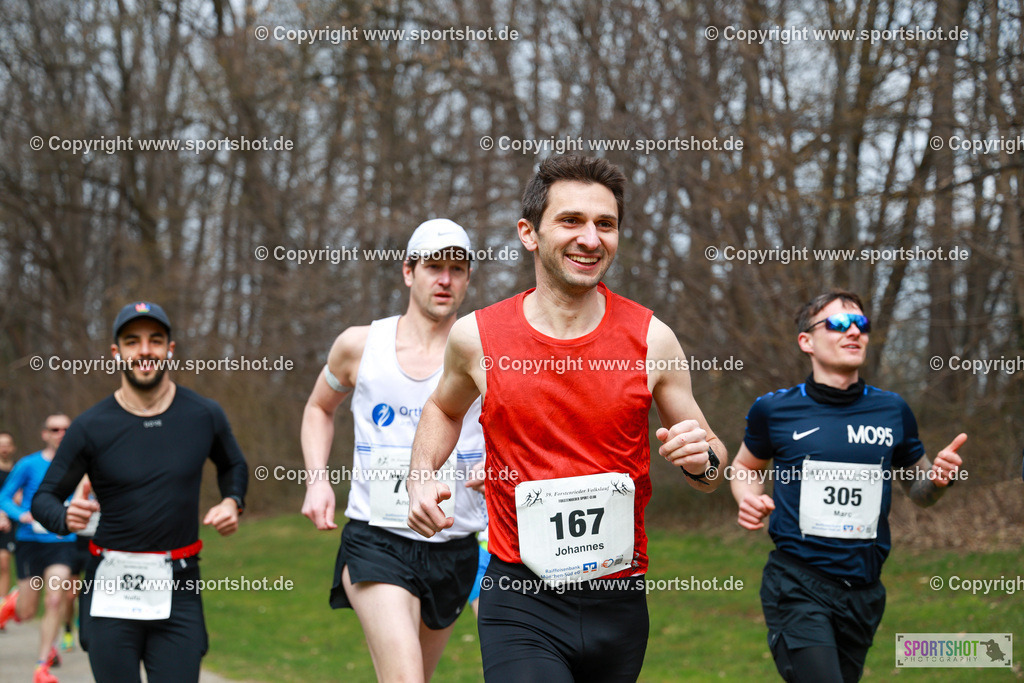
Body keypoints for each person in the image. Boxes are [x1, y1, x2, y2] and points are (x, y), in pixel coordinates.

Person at [406, 154, 727, 682]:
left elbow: (713, 470)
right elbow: (443, 407)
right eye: (571, 221)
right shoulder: (478, 337)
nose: (591, 238)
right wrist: (421, 475)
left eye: (606, 224)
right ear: (529, 233)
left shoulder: (652, 339)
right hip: (519, 598)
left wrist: (701, 461)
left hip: (618, 601)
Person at [730, 290, 964, 682]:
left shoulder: (893, 410)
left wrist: (939, 479)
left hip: (864, 592)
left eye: (861, 324)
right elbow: (744, 466)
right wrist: (748, 498)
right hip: (798, 583)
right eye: (838, 324)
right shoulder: (774, 409)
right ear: (806, 340)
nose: (853, 331)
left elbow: (921, 492)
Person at [300, 218, 488, 682]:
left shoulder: (487, 350)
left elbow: (522, 429)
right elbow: (318, 409)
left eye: (457, 269)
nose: (445, 279)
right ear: (409, 272)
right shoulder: (360, 345)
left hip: (456, 542)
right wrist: (317, 481)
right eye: (433, 266)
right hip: (376, 538)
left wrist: (500, 463)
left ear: (468, 278)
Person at [31, 301, 248, 683]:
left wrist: (233, 501)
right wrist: (63, 518)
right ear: (117, 353)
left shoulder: (203, 414)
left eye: (155, 340)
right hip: (110, 585)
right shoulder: (90, 426)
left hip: (178, 584)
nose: (144, 350)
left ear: (170, 349)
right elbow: (44, 497)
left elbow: (234, 465)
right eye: (132, 341)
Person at [0, 414, 75, 683]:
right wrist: (21, 515)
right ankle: (13, 602)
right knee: (27, 611)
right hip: (30, 542)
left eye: (67, 429)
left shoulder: (77, 463)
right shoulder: (28, 464)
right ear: (45, 434)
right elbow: (4, 496)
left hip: (61, 542)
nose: (61, 433)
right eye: (55, 429)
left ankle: (41, 666)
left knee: (56, 598)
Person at [0, 430, 18, 600]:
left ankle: (2, 608)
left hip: (12, 523)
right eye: (1, 445)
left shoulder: (18, 469)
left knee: (4, 564)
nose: (4, 449)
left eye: (7, 445)